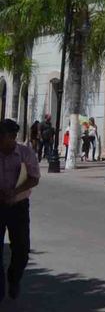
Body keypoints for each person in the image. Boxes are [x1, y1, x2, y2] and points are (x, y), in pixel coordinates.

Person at [0, 118, 40, 300]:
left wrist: (15, 192)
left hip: (18, 206)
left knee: (22, 249)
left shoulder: (25, 153)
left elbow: (34, 178)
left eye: (3, 136)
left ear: (12, 137)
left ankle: (14, 278)